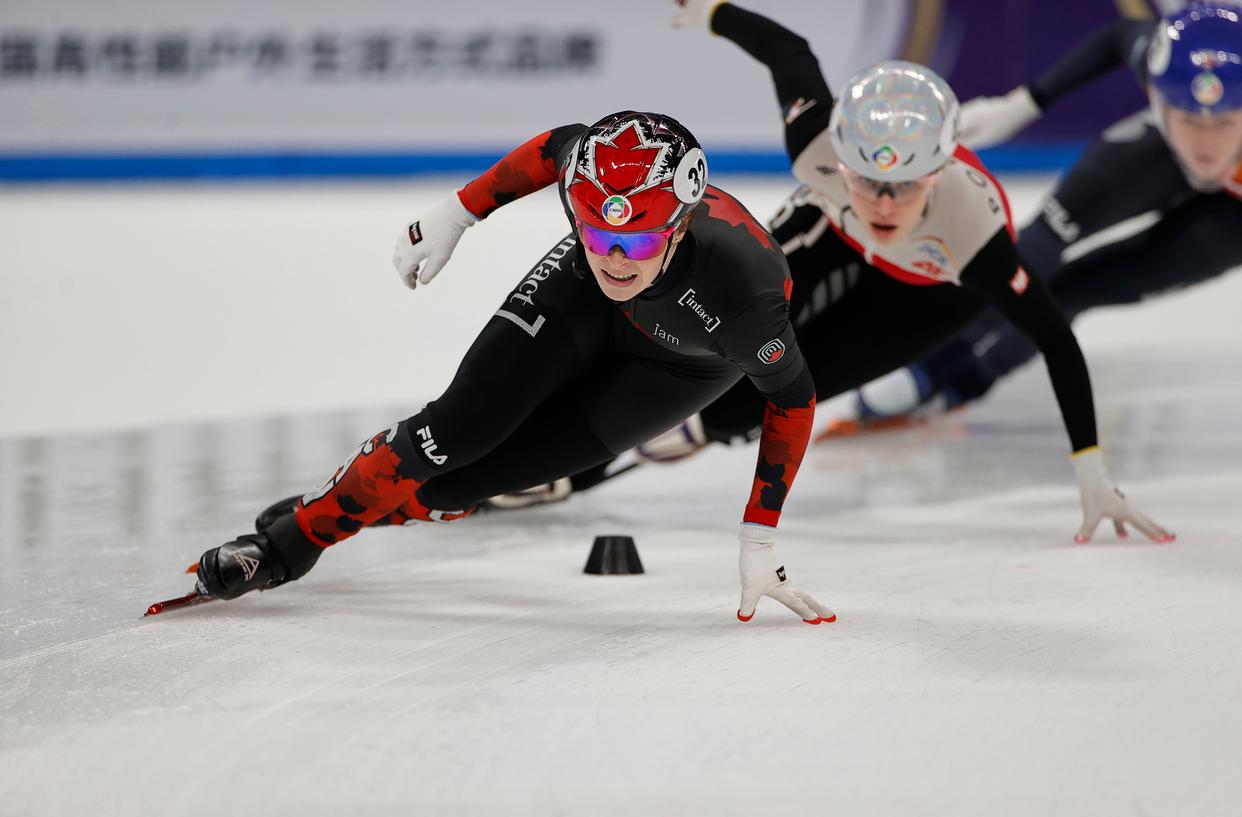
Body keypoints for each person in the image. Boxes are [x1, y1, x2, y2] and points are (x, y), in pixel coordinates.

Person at [535, 0, 1172, 544]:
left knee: (751, 401)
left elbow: (1055, 336)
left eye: (905, 186)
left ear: (937, 174)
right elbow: (788, 51)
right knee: (705, 319)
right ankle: (551, 440)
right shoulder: (815, 144)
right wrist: (715, 13)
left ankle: (610, 456)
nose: (885, 205)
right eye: (867, 181)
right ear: (840, 161)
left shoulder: (974, 236)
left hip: (929, 294)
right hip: (833, 233)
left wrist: (1091, 470)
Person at [190, 110, 835, 625]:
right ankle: (289, 545)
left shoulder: (746, 295)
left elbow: (793, 399)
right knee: (454, 431)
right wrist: (458, 212)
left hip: (680, 367)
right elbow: (555, 146)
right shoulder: (589, 188)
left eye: (637, 241)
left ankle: (339, 506)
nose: (615, 258)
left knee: (459, 489)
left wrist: (759, 535)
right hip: (579, 299)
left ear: (682, 224)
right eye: (594, 230)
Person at [824, 4, 1242, 436]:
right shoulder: (1173, 70)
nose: (1205, 142)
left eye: (1225, 122)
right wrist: (1025, 103)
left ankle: (965, 383)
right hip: (1161, 154)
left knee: (1082, 288)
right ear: (1155, 97)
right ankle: (925, 361)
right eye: (1189, 119)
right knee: (1037, 247)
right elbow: (1121, 36)